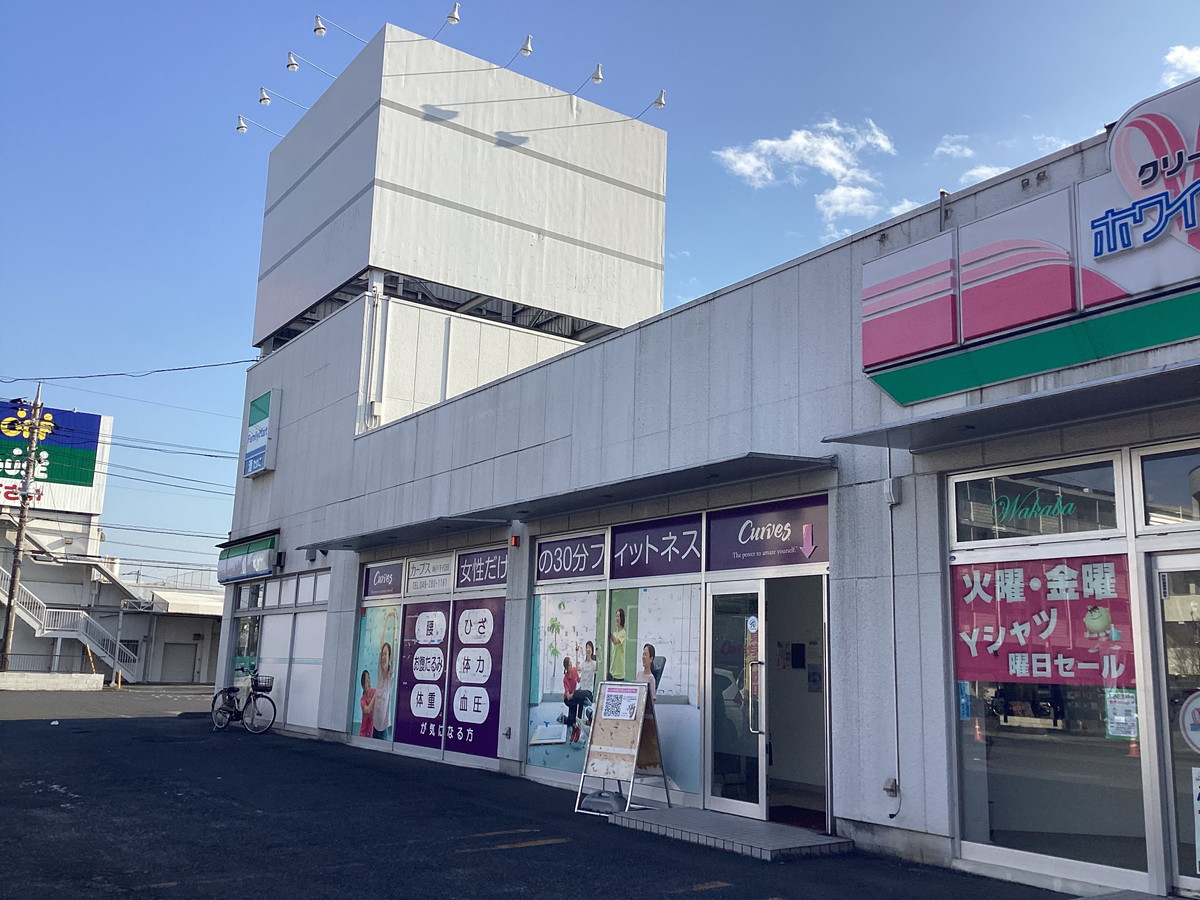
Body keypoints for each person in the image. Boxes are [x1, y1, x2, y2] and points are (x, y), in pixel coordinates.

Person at [373, 609, 397, 740]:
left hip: (384, 727)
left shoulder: (389, 674)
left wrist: (394, 621)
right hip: (374, 724)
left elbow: (394, 643)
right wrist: (386, 620)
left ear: (390, 656)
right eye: (382, 654)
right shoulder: (379, 671)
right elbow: (381, 642)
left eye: (386, 654)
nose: (383, 656)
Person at [562, 656, 592, 744]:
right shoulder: (565, 679)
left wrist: (586, 674)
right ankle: (569, 721)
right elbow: (568, 696)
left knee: (580, 700)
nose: (571, 667)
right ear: (566, 668)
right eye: (569, 666)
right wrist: (575, 693)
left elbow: (579, 680)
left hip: (575, 697)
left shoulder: (575, 670)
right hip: (568, 700)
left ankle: (579, 723)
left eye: (571, 665)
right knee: (572, 718)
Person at [636, 643, 658, 707]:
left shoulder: (651, 678)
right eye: (643, 654)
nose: (643, 657)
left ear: (651, 659)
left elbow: (652, 700)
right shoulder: (639, 674)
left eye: (645, 654)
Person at [608, 608, 627, 680]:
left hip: (619, 672)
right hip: (612, 670)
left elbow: (616, 641)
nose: (617, 618)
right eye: (616, 616)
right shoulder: (615, 633)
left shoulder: (623, 633)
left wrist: (609, 631)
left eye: (618, 616)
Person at [358, 670, 376, 737]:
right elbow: (367, 710)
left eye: (369, 678)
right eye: (366, 679)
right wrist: (374, 697)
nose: (368, 680)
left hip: (372, 731)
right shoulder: (363, 699)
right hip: (364, 733)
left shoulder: (374, 692)